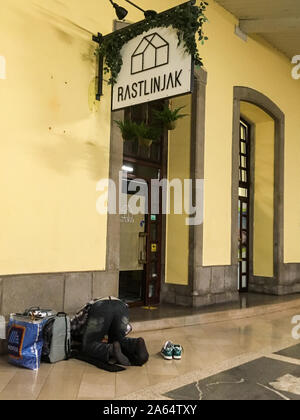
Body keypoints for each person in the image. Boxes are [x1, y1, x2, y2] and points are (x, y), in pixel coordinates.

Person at [71, 297, 149, 367]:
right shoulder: (115, 303)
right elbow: (127, 328)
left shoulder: (89, 306)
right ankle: (135, 343)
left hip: (101, 307)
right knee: (118, 339)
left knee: (88, 345)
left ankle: (110, 349)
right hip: (122, 306)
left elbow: (74, 324)